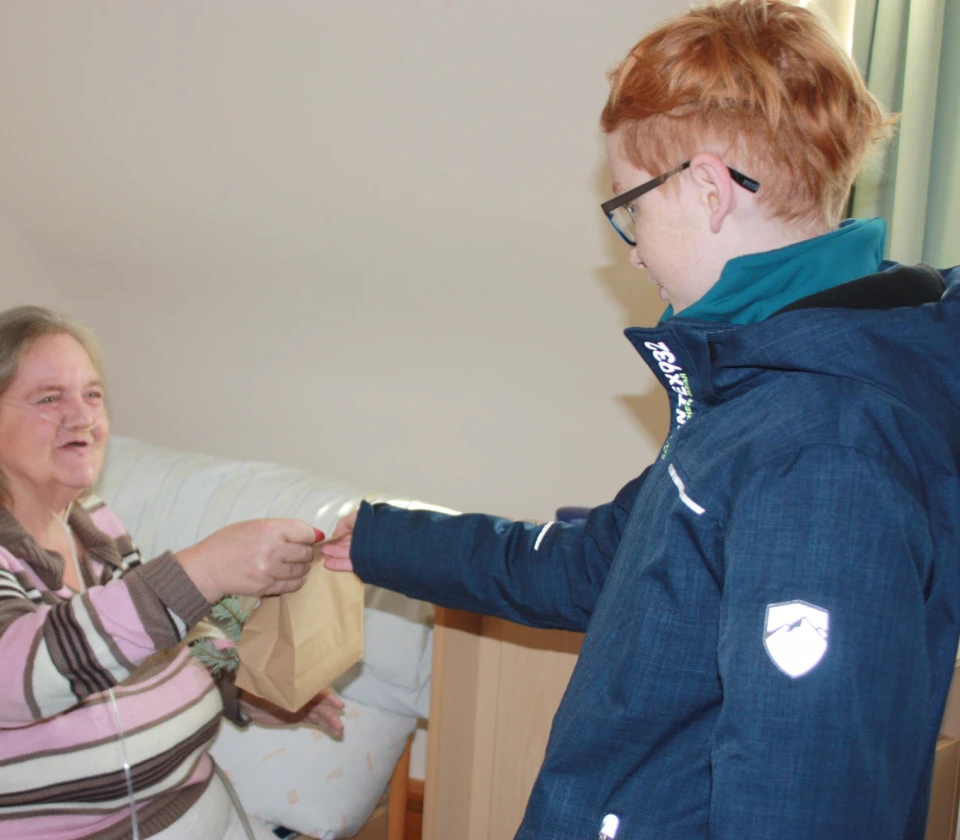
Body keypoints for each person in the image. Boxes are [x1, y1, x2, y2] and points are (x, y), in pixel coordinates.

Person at [322, 1, 960, 837]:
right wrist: (375, 539)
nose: (631, 248)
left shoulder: (823, 449)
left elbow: (800, 803)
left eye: (631, 206)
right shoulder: (758, 389)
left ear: (709, 189)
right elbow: (592, 564)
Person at [0, 306, 344, 840]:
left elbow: (151, 642)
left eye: (92, 395)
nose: (82, 417)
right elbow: (19, 677)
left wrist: (245, 692)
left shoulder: (91, 522)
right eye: (49, 399)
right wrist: (203, 570)